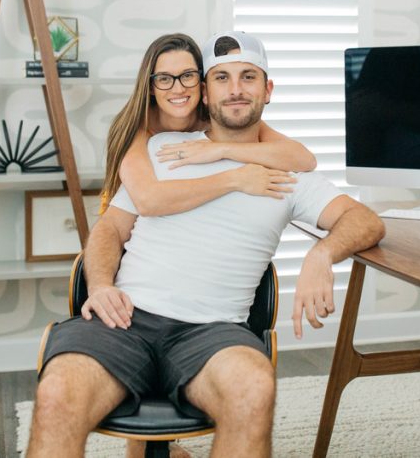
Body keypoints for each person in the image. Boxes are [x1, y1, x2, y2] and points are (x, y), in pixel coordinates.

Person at [27, 31, 385, 458]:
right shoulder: (162, 148)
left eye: (249, 77)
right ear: (205, 92)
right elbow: (110, 230)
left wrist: (322, 253)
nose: (235, 90)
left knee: (253, 389)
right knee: (57, 394)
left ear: (267, 90)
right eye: (223, 78)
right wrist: (102, 284)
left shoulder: (290, 174)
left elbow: (365, 221)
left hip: (214, 333)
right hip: (125, 319)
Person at [99, 32, 317, 219]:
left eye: (187, 76)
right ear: (151, 87)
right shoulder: (137, 127)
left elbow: (303, 159)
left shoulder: (213, 116)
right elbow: (147, 201)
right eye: (165, 79)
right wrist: (236, 179)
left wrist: (220, 149)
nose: (178, 89)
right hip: (132, 224)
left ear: (202, 84)